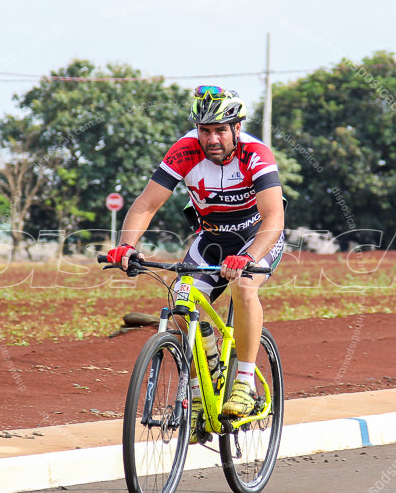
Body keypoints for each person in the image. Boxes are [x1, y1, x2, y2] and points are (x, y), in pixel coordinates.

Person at [107, 85, 285, 419]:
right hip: (212, 239)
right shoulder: (185, 150)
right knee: (180, 303)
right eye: (205, 130)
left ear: (237, 128)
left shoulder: (256, 154)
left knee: (244, 287)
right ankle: (210, 374)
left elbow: (274, 217)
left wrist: (247, 259)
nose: (212, 139)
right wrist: (126, 245)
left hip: (257, 237)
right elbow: (146, 204)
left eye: (220, 130)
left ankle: (244, 385)